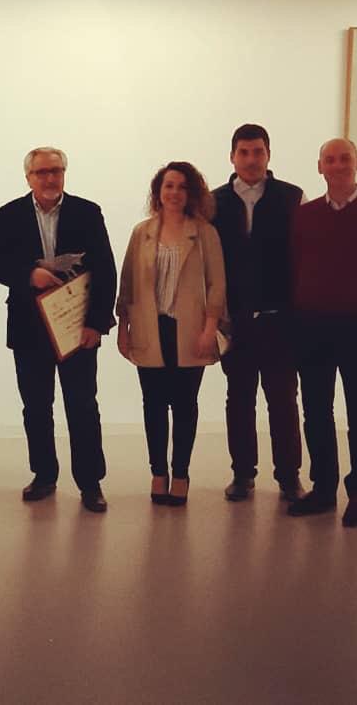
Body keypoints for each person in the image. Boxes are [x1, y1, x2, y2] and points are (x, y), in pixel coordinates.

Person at [0, 147, 117, 512]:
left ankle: (90, 482)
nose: (50, 178)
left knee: (82, 406)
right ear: (28, 177)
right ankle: (44, 475)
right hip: (29, 329)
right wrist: (29, 275)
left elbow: (106, 270)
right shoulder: (9, 214)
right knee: (35, 407)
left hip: (77, 327)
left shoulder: (87, 212)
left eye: (56, 170)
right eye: (42, 172)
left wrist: (97, 324)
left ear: (64, 173)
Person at [117, 161, 225, 506]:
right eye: (168, 186)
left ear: (191, 193)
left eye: (182, 186)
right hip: (150, 327)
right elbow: (127, 283)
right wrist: (123, 327)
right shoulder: (142, 232)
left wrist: (210, 328)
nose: (175, 192)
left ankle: (181, 474)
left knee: (184, 404)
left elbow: (217, 285)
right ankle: (157, 472)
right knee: (153, 404)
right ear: (158, 191)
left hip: (190, 329)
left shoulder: (205, 233)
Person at [211, 124, 305, 503]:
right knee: (239, 399)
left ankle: (289, 477)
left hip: (279, 319)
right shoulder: (214, 202)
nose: (251, 159)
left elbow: (302, 257)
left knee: (283, 400)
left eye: (258, 152)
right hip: (235, 321)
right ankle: (242, 475)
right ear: (232, 157)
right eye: (244, 152)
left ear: (268, 155)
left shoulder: (291, 197)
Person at [287, 138, 357, 527]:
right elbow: (294, 267)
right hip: (312, 326)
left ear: (356, 163)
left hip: (355, 326)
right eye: (330, 159)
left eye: (345, 158)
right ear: (320, 167)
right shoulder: (305, 215)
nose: (338, 165)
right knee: (316, 410)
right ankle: (323, 488)